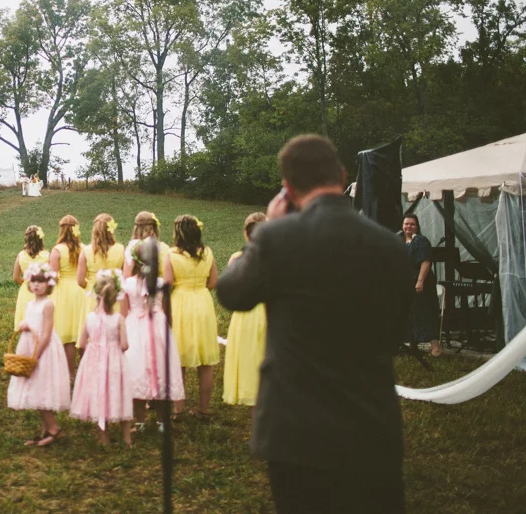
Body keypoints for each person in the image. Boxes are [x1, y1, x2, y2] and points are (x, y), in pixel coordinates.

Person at [216, 134, 413, 514]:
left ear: (288, 189)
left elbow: (231, 293)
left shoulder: (276, 237)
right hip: (373, 427)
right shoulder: (391, 245)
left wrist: (268, 229)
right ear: (342, 176)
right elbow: (395, 331)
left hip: (298, 434)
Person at [120, 241, 185, 429]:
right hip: (158, 327)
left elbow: (123, 312)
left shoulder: (127, 284)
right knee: (161, 370)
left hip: (135, 328)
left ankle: (139, 421)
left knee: (137, 371)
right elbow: (166, 310)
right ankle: (162, 422)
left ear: (134, 261)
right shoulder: (161, 283)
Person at [7, 262, 69, 447]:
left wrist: (36, 355)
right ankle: (45, 430)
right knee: (35, 389)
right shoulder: (30, 304)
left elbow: (47, 333)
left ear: (48, 284)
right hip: (30, 346)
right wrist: (24, 325)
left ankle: (54, 428)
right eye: (33, 281)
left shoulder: (47, 305)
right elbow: (29, 322)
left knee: (41, 389)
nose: (36, 285)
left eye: (41, 282)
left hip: (44, 350)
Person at [164, 214, 220, 415]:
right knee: (205, 362)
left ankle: (178, 409)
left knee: (179, 358)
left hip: (181, 304)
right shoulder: (207, 253)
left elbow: (167, 284)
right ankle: (203, 409)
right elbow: (213, 282)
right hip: (203, 303)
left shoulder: (171, 255)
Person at [71, 269, 133, 446]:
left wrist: (95, 346)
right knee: (118, 391)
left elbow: (81, 343)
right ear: (115, 298)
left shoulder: (90, 318)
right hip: (115, 362)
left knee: (99, 392)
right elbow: (124, 345)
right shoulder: (119, 319)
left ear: (96, 295)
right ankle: (127, 438)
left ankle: (104, 438)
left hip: (95, 361)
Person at [222, 212, 268, 412]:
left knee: (250, 365)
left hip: (245, 315)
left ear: (246, 233)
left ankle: (255, 417)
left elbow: (231, 290)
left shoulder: (237, 258)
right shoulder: (276, 257)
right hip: (268, 313)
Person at [48, 214, 85, 377]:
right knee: (82, 332)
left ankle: (69, 373)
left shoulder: (57, 250)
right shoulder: (84, 248)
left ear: (61, 230)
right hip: (81, 290)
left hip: (63, 293)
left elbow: (53, 276)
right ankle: (84, 372)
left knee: (68, 334)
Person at [77, 214, 125, 336]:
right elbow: (125, 276)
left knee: (92, 335)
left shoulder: (86, 251)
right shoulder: (121, 249)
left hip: (94, 295)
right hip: (114, 295)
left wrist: (90, 285)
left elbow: (80, 280)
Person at [401, 213, 442, 357]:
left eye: (412, 224)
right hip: (408, 284)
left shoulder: (421, 241)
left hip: (422, 284)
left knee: (426, 313)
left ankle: (436, 348)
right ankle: (413, 346)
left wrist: (420, 280)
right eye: (406, 223)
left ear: (417, 226)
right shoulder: (402, 241)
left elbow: (426, 261)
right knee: (411, 314)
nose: (409, 226)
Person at [12, 226, 50, 330]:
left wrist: (26, 284)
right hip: (42, 291)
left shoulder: (21, 255)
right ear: (41, 239)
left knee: (26, 320)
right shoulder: (47, 255)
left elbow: (15, 277)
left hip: (26, 290)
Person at [123, 211, 169, 278]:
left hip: (137, 282)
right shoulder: (162, 247)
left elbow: (126, 275)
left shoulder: (133, 247)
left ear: (136, 229)